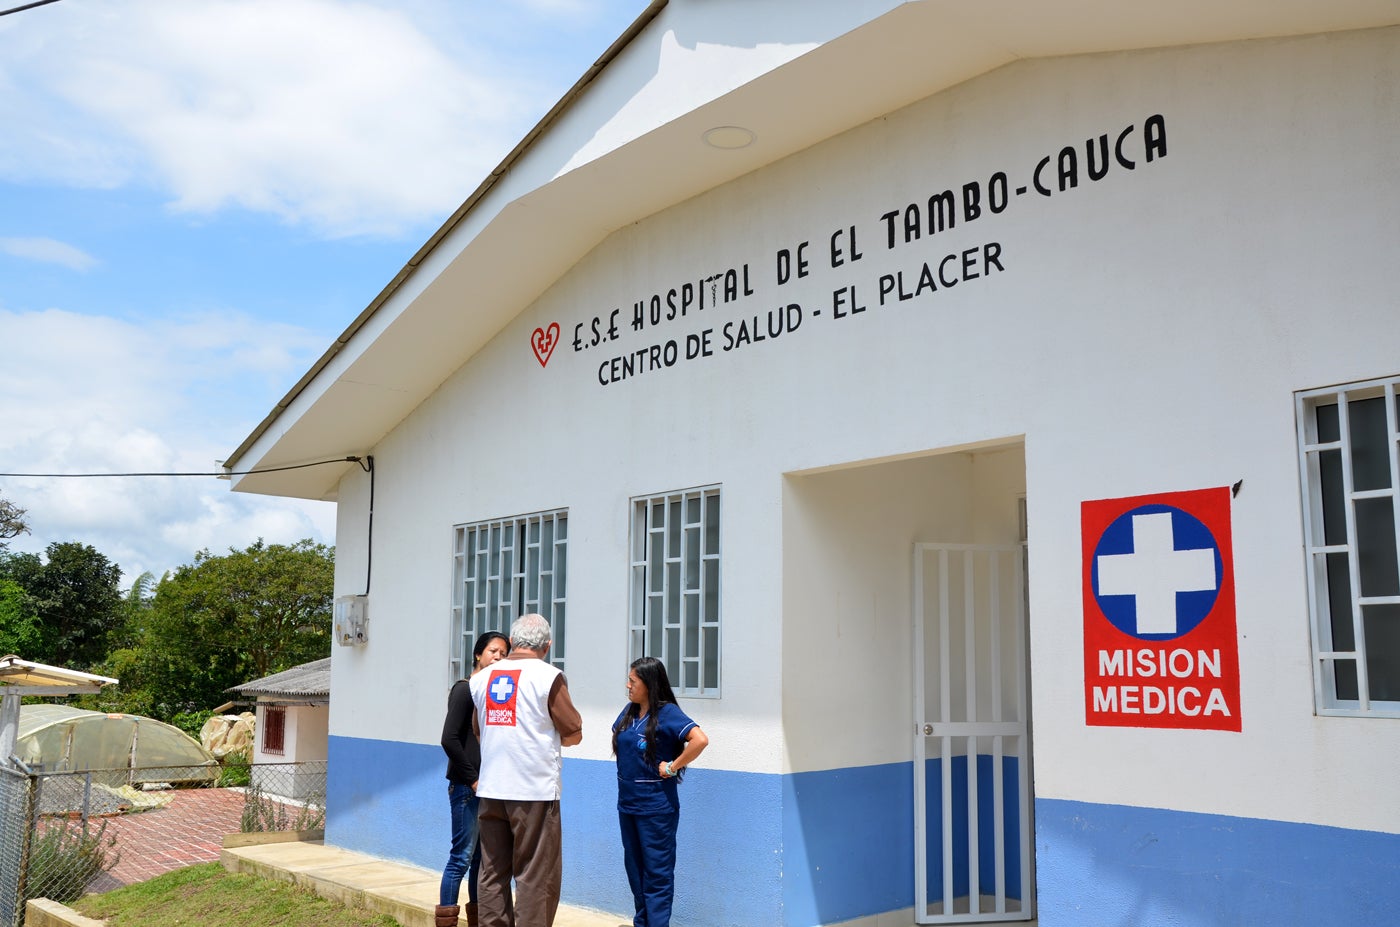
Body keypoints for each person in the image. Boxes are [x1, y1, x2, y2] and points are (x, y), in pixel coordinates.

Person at [471, 613, 583, 927]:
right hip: (534, 791)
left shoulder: (481, 678)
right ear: (547, 646)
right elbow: (573, 732)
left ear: (512, 642)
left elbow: (479, 730)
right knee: (536, 875)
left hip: (492, 789)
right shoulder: (548, 677)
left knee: (492, 872)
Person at [612, 656, 709, 927]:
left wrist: (672, 767)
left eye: (633, 681)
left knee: (657, 873)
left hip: (656, 809)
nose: (628, 686)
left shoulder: (667, 713)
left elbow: (700, 740)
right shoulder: (630, 712)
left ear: (649, 684)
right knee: (635, 871)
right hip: (628, 805)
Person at [436, 631, 511, 927]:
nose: (498, 657)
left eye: (504, 653)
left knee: (482, 861)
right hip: (468, 789)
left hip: (489, 788)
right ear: (478, 654)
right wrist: (473, 780)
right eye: (493, 651)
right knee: (461, 857)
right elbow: (449, 739)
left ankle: (478, 921)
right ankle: (446, 919)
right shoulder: (465, 690)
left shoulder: (492, 693)